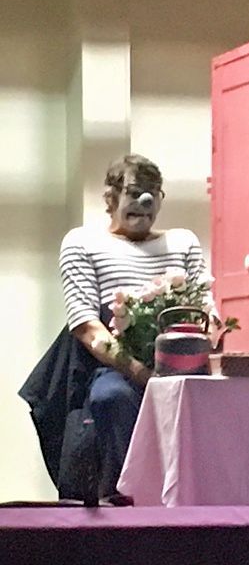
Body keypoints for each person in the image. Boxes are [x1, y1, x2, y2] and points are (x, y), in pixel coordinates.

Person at [20, 154, 212, 504]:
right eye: (135, 192)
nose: (145, 202)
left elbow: (205, 309)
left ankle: (199, 502)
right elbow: (87, 328)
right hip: (117, 367)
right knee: (110, 398)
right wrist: (141, 373)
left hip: (181, 364)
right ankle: (128, 499)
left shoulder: (183, 242)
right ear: (110, 198)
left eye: (153, 193)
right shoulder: (82, 243)